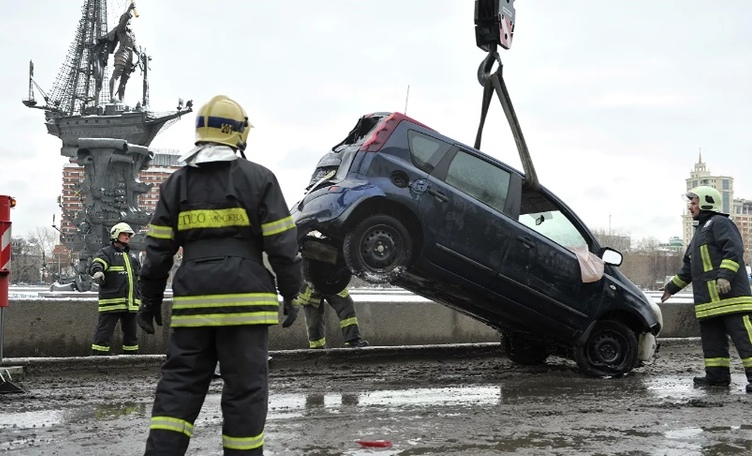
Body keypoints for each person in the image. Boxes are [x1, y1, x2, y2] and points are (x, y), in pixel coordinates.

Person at [136, 95, 302, 455]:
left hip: (194, 301)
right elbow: (283, 246)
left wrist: (148, 300)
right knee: (245, 391)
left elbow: (157, 253)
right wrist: (293, 292)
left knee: (178, 387)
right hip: (246, 303)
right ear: (239, 134)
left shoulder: (175, 184)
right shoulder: (260, 179)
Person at [661, 186, 752, 393]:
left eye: (694, 203)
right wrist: (670, 288)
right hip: (709, 304)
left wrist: (725, 276)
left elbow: (734, 249)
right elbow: (688, 269)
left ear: (707, 202)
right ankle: (717, 377)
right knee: (713, 344)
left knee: (745, 340)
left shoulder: (720, 223)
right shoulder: (699, 233)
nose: (690, 206)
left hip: (731, 299)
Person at [89, 221, 141, 355]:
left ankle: (131, 362)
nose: (127, 237)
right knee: (103, 335)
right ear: (115, 235)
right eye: (124, 234)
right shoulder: (106, 253)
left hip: (131, 304)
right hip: (111, 303)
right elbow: (97, 263)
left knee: (132, 337)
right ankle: (98, 361)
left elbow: (139, 277)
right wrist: (97, 271)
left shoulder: (133, 257)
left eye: (129, 235)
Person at [294, 283, 369, 349]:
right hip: (311, 287)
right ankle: (317, 348)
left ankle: (352, 340)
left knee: (346, 307)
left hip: (331, 282)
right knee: (314, 320)